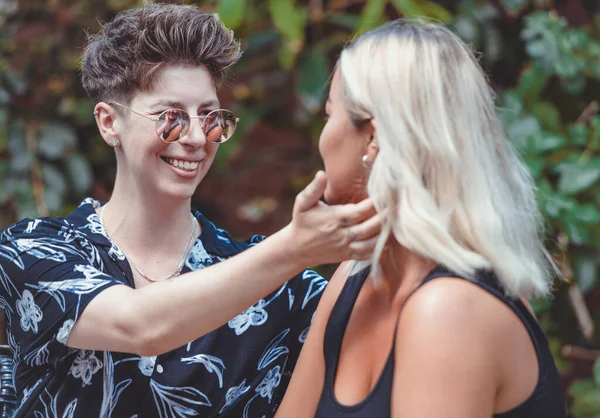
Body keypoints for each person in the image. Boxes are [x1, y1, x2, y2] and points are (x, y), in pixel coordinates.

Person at [0, 4, 381, 418]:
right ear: (109, 123)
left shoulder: (286, 291)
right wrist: (293, 249)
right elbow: (138, 326)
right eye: (171, 117)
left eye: (211, 117)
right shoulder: (33, 249)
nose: (198, 137)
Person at [275, 20, 568, 418]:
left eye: (330, 115)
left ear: (373, 137)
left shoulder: (449, 310)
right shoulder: (352, 277)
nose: (322, 138)